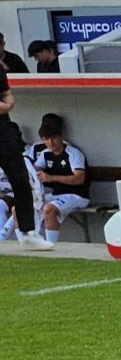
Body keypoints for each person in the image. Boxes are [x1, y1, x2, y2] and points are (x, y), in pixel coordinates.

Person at [0, 56, 49, 249]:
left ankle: (28, 232)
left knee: (20, 178)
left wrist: (8, 105)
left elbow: (7, 93)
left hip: (3, 130)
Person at [25, 113, 88, 246]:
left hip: (77, 195)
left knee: (49, 209)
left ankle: (51, 247)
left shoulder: (73, 154)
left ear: (61, 137)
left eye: (53, 138)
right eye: (46, 139)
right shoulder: (45, 154)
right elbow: (35, 168)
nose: (50, 142)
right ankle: (19, 242)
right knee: (21, 206)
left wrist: (51, 177)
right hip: (56, 195)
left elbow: (79, 179)